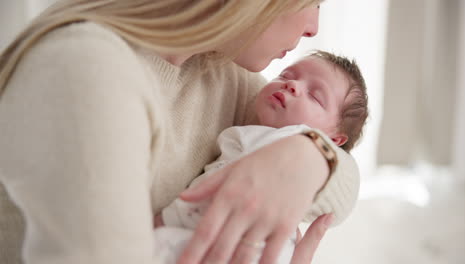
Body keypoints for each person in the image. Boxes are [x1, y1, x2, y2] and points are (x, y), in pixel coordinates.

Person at [0, 1, 360, 264]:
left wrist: (310, 153)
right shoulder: (86, 70)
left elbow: (345, 185)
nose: (313, 26)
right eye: (311, 1)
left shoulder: (217, 69)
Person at [152, 50, 368, 263]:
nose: (292, 85)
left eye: (315, 96)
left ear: (335, 140)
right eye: (285, 75)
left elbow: (215, 190)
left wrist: (166, 219)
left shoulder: (275, 140)